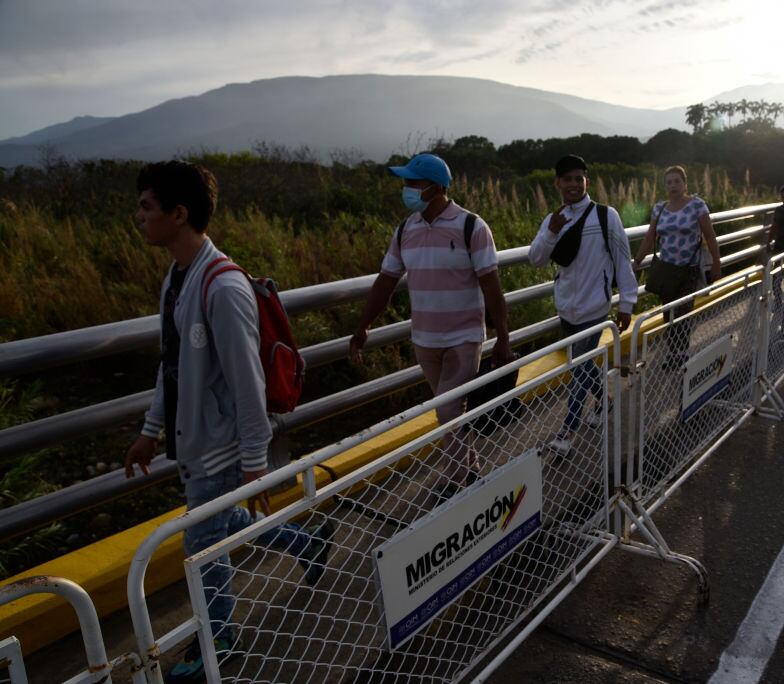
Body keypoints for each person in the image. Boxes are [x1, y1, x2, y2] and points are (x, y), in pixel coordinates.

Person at [123, 161, 333, 683]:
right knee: (215, 525)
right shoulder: (176, 277)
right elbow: (172, 365)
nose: (139, 217)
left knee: (203, 548)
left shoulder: (222, 287)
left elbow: (248, 385)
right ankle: (307, 543)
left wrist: (254, 464)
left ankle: (217, 642)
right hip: (191, 439)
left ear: (179, 214)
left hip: (217, 444)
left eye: (147, 207)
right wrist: (152, 430)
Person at [351, 153, 513, 499]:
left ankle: (457, 482)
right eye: (406, 182)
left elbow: (492, 286)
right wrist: (363, 325)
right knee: (451, 409)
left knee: (447, 407)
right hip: (425, 338)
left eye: (413, 183)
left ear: (437, 188)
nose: (407, 189)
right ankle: (469, 467)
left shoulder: (472, 226)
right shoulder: (405, 229)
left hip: (464, 336)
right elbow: (385, 281)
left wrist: (503, 337)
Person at [528, 154, 638, 456]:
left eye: (579, 178)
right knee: (583, 363)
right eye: (568, 179)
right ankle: (606, 399)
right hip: (566, 308)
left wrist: (627, 302)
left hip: (595, 307)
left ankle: (565, 434)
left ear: (586, 181)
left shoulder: (605, 216)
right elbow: (536, 259)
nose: (574, 184)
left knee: (578, 369)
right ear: (558, 183)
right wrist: (551, 231)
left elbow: (621, 258)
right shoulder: (553, 220)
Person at [632, 165, 723, 363]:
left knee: (682, 312)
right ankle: (674, 352)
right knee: (668, 312)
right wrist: (637, 261)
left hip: (688, 269)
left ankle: (680, 354)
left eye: (677, 181)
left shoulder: (697, 205)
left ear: (685, 184)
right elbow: (650, 238)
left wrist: (717, 262)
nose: (673, 185)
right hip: (666, 269)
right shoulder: (660, 208)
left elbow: (710, 235)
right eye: (669, 182)